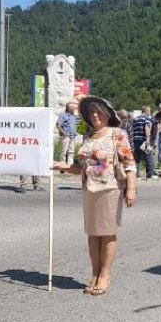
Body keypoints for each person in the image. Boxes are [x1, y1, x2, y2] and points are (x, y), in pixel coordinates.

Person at [52, 96, 136, 296]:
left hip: (110, 190)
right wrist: (62, 166)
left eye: (99, 112)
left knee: (107, 233)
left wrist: (131, 189)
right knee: (92, 234)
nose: (95, 116)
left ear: (108, 114)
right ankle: (95, 273)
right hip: (89, 190)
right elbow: (83, 168)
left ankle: (105, 275)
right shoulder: (88, 136)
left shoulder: (117, 134)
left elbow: (129, 163)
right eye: (92, 113)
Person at [133, 105, 156, 180]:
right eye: (149, 111)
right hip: (143, 140)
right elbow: (147, 129)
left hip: (135, 140)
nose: (150, 112)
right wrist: (148, 141)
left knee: (137, 159)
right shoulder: (146, 119)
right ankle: (149, 175)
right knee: (148, 157)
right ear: (146, 111)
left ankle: (137, 175)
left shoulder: (136, 119)